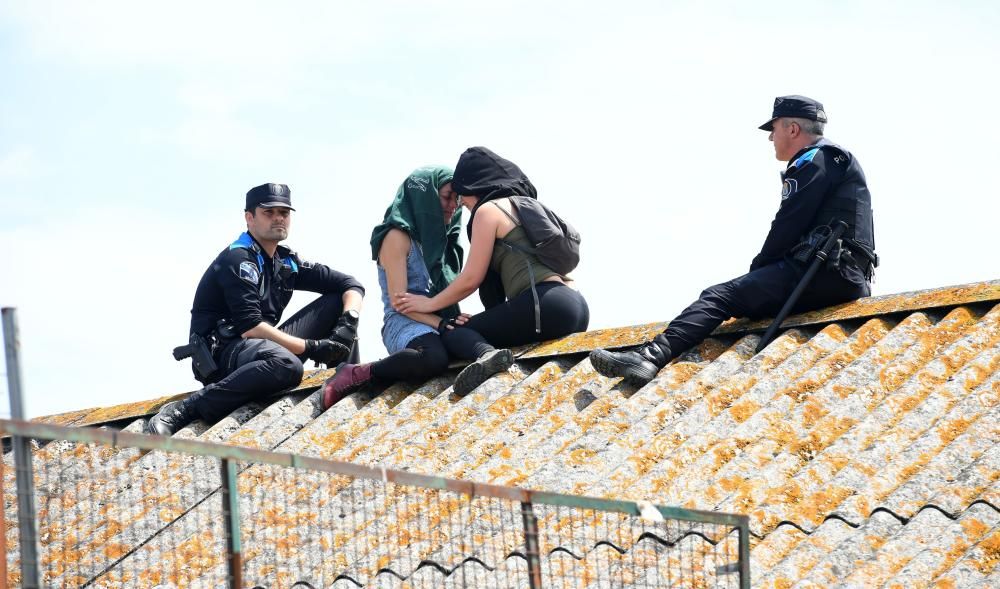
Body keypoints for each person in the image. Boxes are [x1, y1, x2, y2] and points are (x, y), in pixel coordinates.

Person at [590, 95, 877, 386]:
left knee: (720, 296)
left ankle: (650, 356)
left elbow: (789, 222)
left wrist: (759, 271)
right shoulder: (835, 159)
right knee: (744, 303)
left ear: (792, 130)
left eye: (773, 129)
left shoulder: (816, 158)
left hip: (825, 272)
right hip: (842, 273)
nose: (770, 139)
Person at [148, 183, 366, 435]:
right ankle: (188, 408)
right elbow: (250, 326)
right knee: (288, 365)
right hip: (224, 355)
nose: (278, 219)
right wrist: (312, 347)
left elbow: (350, 285)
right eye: (268, 212)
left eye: (283, 213)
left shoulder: (285, 261)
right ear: (249, 218)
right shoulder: (238, 259)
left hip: (261, 348)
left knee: (340, 304)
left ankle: (347, 382)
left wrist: (348, 321)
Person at [395, 147, 590, 396]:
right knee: (478, 328)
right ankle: (490, 352)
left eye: (462, 198)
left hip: (544, 305)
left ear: (474, 188)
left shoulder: (488, 211)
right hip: (575, 305)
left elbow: (470, 279)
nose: (461, 204)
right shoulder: (524, 205)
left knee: (457, 333)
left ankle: (488, 356)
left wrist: (428, 303)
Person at [319, 166, 469, 408]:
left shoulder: (441, 242)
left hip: (437, 319)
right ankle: (357, 373)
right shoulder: (397, 236)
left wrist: (453, 321)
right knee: (434, 358)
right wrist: (441, 323)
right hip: (404, 321)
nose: (453, 205)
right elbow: (401, 304)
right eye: (446, 196)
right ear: (425, 198)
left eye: (457, 198)